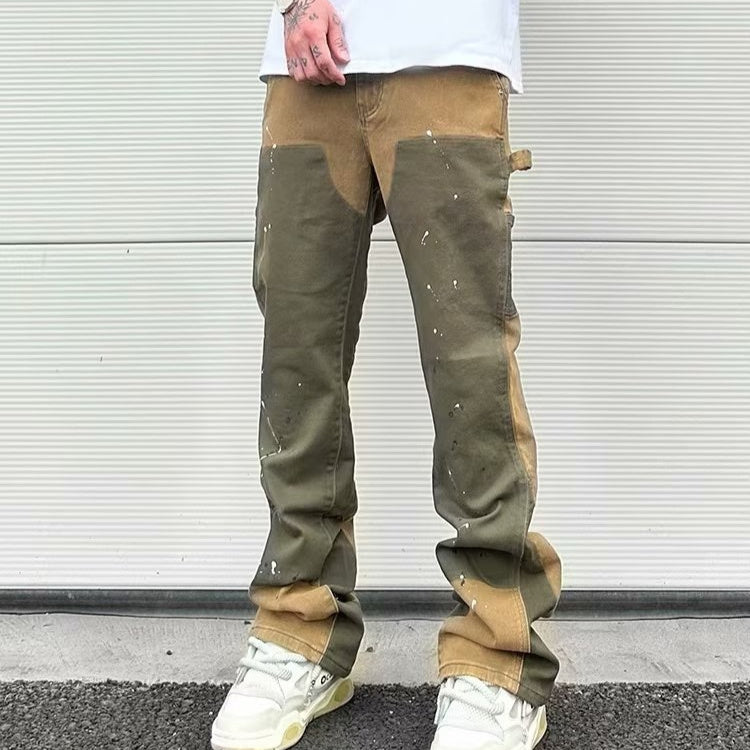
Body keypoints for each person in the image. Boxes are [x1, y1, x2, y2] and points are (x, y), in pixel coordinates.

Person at [211, 1, 563, 749]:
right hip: (305, 66)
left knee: (469, 364)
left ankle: (496, 657)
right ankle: (300, 630)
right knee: (296, 356)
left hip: (448, 51)